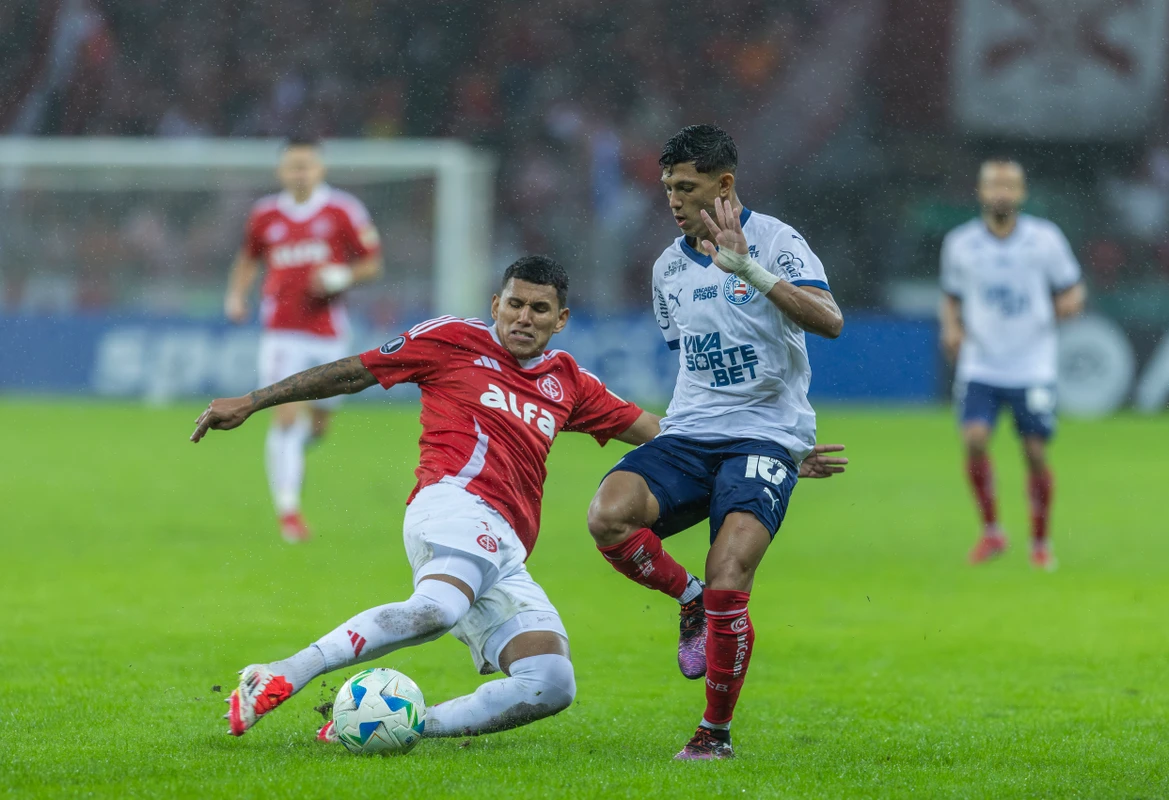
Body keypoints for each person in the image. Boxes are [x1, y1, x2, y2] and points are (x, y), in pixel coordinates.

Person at [194, 256, 847, 743]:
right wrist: (254, 400)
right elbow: (353, 371)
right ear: (496, 304)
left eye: (539, 309)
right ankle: (279, 672)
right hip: (451, 505)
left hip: (505, 547)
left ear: (561, 320)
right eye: (514, 305)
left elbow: (663, 433)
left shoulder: (569, 382)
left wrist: (771, 450)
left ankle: (396, 727)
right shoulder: (453, 339)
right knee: (438, 608)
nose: (523, 318)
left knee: (550, 684)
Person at [586, 125, 845, 760]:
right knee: (608, 516)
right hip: (691, 433)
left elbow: (829, 321)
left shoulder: (777, 240)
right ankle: (690, 600)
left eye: (686, 187)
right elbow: (696, 364)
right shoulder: (667, 268)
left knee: (730, 571)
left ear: (724, 183)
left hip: (765, 437)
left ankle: (713, 733)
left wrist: (748, 269)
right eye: (667, 188)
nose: (673, 200)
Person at [223, 135, 383, 542]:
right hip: (281, 330)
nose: (300, 173)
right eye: (293, 166)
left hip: (328, 332)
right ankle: (289, 511)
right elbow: (249, 258)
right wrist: (237, 295)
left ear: (320, 169)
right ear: (281, 171)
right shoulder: (265, 214)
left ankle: (293, 452)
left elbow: (372, 264)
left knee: (319, 425)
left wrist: (343, 275)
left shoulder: (343, 211)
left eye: (307, 165)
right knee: (285, 415)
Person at [938, 158, 1086, 570]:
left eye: (1009, 185)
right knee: (974, 439)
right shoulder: (960, 243)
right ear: (981, 191)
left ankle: (1040, 541)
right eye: (994, 185)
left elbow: (1073, 287)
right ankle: (992, 532)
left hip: (1032, 364)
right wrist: (951, 328)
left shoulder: (1045, 239)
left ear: (1021, 193)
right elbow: (950, 296)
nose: (1001, 192)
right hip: (981, 363)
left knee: (1035, 451)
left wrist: (1070, 304)